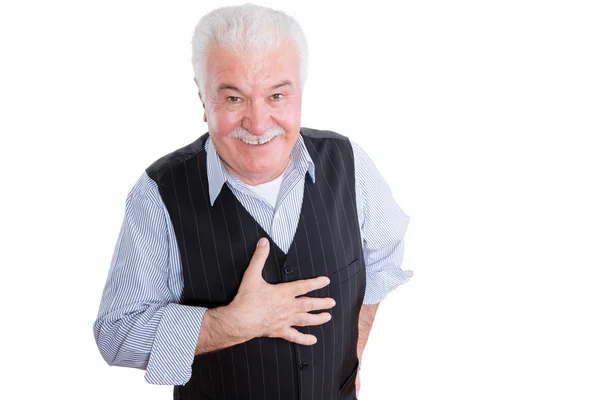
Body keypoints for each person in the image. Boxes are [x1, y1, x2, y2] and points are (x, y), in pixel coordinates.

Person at [93, 4, 412, 400]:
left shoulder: (349, 164)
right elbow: (117, 333)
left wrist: (357, 346)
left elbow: (385, 257)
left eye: (276, 95)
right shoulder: (158, 194)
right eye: (234, 99)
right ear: (203, 97)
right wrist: (230, 323)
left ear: (299, 92)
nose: (259, 124)